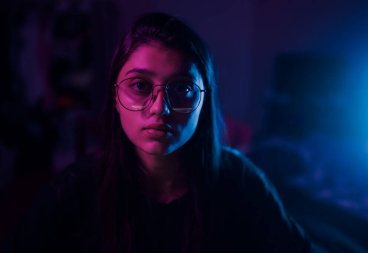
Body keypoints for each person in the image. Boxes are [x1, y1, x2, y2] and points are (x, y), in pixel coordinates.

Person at [6, 12, 312, 253]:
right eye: (140, 86)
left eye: (181, 89)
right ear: (115, 95)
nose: (159, 109)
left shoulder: (241, 182)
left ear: (203, 100)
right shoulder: (74, 192)